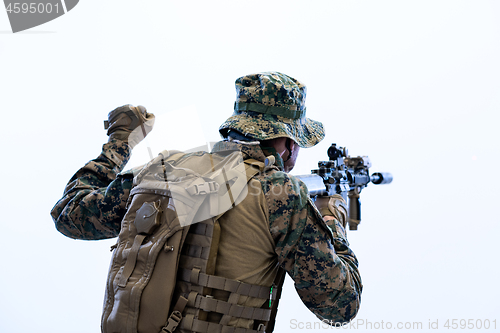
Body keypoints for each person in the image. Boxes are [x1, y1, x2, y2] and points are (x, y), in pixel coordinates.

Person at [51, 71, 362, 332]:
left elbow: (69, 214)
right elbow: (339, 304)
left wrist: (120, 143)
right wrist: (332, 220)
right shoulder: (280, 193)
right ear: (288, 142)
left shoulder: (161, 168)